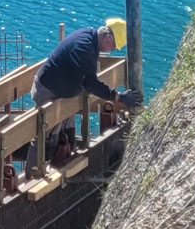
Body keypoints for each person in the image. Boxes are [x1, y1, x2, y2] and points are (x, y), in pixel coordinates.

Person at [25, 18, 142, 177]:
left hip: (60, 92)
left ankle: (62, 159)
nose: (112, 50)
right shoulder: (85, 49)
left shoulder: (87, 36)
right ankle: (33, 176)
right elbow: (91, 83)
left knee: (66, 128)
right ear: (108, 39)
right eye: (114, 46)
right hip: (47, 91)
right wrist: (118, 97)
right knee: (45, 136)